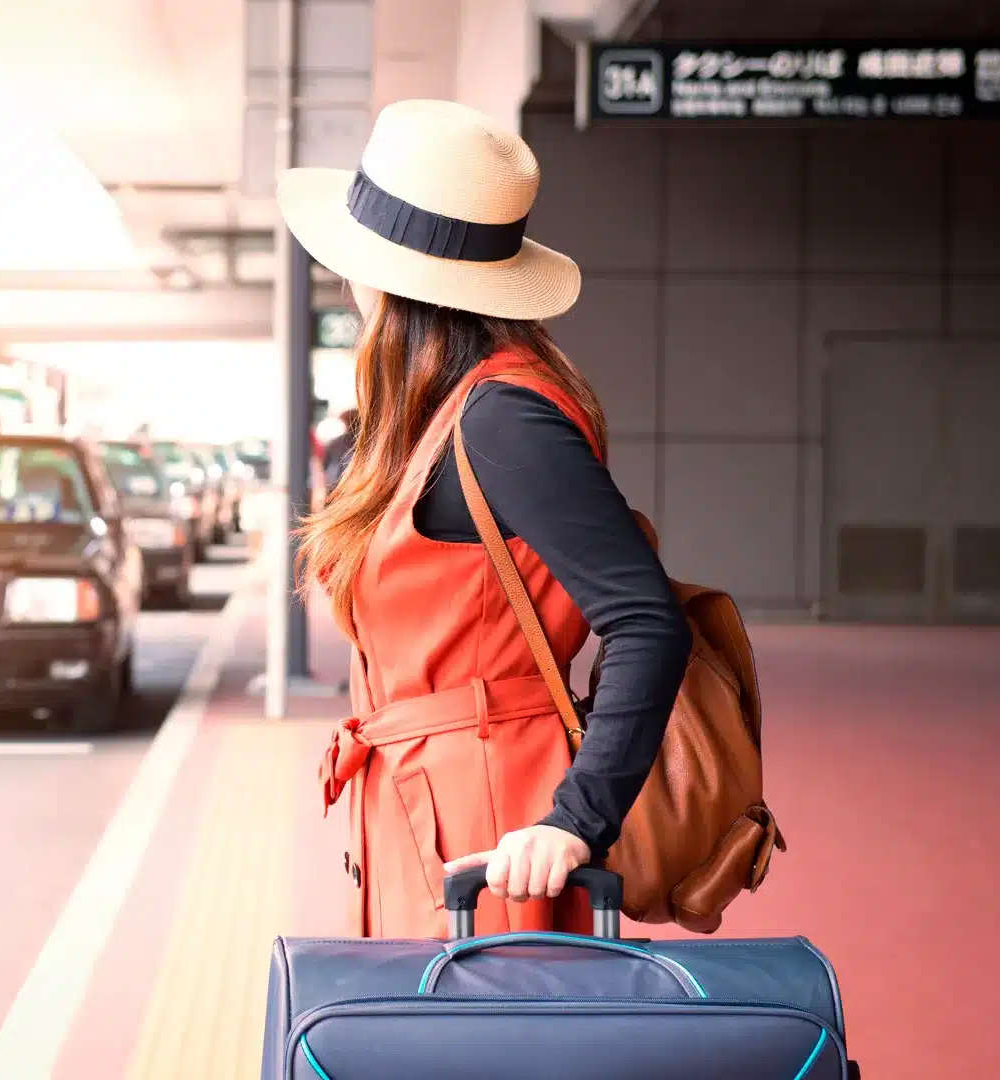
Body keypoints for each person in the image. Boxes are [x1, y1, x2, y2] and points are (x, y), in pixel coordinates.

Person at [282, 100, 692, 939]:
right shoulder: (447, 414)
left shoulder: (501, 418)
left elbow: (648, 621)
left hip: (490, 824)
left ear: (386, 280)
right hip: (433, 803)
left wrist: (576, 818)